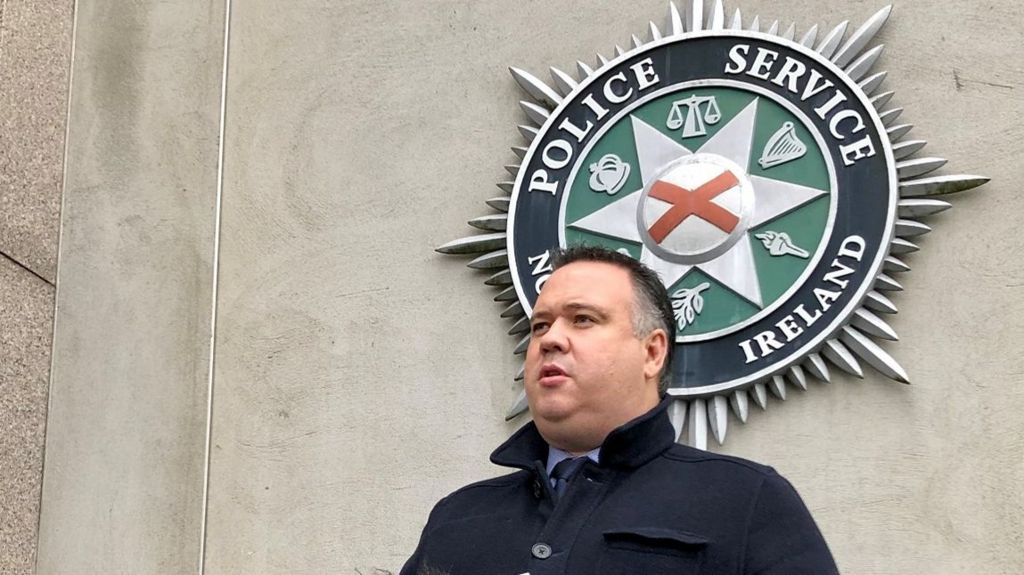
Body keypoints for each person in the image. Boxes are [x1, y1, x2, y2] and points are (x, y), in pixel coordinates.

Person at [401, 246, 838, 574]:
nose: (550, 339)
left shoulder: (747, 501)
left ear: (652, 352)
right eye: (540, 326)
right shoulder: (457, 516)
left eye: (583, 319)